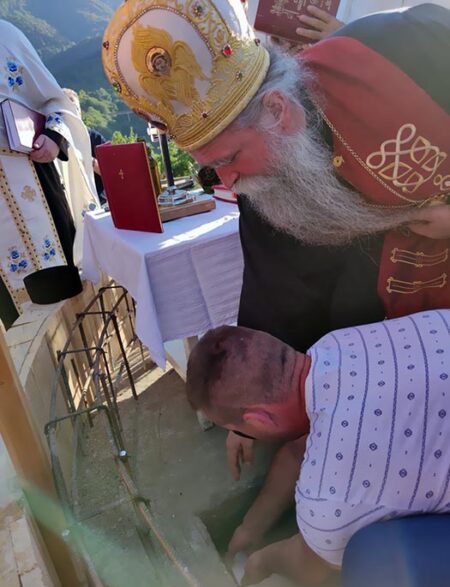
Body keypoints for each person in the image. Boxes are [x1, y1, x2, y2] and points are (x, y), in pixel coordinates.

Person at [103, 2, 450, 474]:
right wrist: (242, 417)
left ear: (277, 111)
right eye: (214, 169)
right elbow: (279, 295)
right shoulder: (265, 186)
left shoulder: (409, 46)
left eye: (230, 158)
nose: (228, 182)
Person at [186, 310, 450, 586]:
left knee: (367, 562)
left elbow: (309, 565)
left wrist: (263, 561)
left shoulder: (328, 497)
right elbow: (298, 450)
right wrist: (250, 527)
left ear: (259, 420)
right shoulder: (338, 343)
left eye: (240, 429)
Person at [0, 21, 98, 329]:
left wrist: (54, 138)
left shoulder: (6, 37)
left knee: (66, 318)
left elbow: (56, 101)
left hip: (33, 195)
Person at [63, 88, 108, 206]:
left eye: (76, 109)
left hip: (98, 202)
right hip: (70, 203)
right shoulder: (55, 141)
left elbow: (111, 172)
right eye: (68, 110)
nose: (73, 113)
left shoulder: (95, 137)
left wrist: (89, 160)